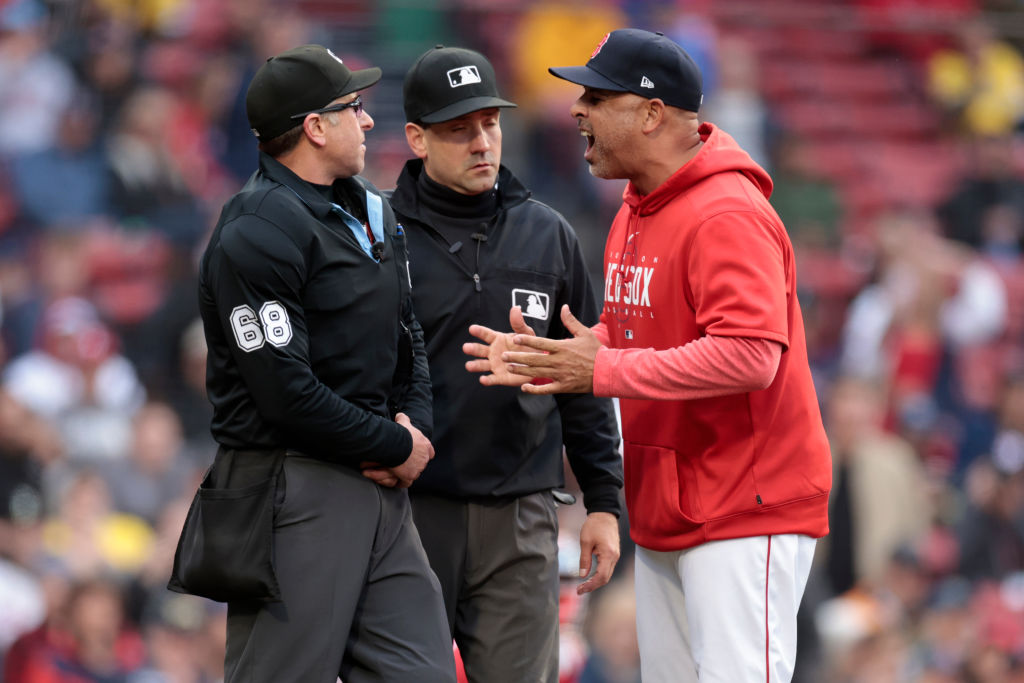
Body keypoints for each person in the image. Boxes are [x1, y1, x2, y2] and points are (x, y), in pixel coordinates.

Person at [463, 29, 832, 683]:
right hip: (675, 502)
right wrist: (560, 354)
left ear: (652, 113)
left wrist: (598, 368)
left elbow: (750, 355)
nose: (577, 108)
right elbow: (645, 335)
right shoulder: (637, 207)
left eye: (597, 96)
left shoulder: (726, 213)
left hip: (747, 501)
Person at [195, 44, 455, 682]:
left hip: (379, 485)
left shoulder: (368, 208)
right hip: (293, 488)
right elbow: (284, 393)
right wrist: (394, 442)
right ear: (315, 126)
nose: (368, 121)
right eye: (354, 108)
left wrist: (411, 426)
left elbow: (406, 332)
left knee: (423, 673)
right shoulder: (255, 230)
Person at [388, 45, 624, 683]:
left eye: (489, 123)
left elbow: (587, 379)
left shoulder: (549, 233)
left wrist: (603, 501)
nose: (481, 141)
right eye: (458, 129)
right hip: (409, 512)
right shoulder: (378, 235)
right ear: (416, 138)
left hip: (520, 517)